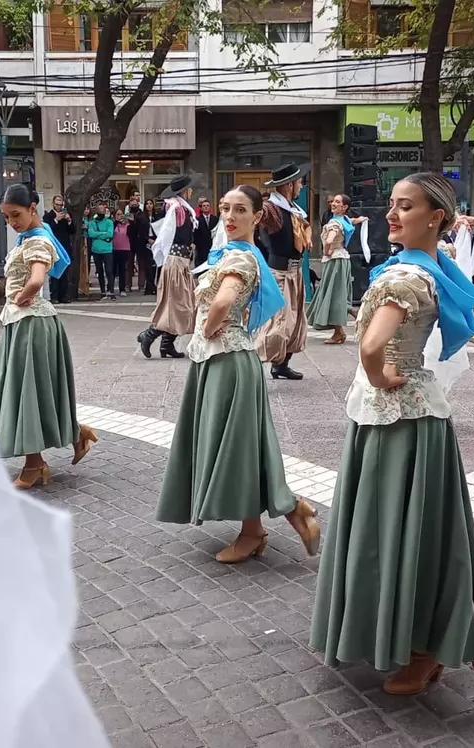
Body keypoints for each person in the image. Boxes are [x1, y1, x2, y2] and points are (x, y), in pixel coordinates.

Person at [310, 172, 474, 719]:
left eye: (406, 207)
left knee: (397, 535)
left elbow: (373, 343)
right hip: (420, 419)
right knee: (425, 535)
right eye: (392, 206)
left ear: (437, 218)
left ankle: (455, 650)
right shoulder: (436, 271)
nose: (392, 215)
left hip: (395, 422)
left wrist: (378, 377)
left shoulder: (404, 275)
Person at [155, 185, 320, 564]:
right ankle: (284, 514)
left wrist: (212, 326)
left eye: (241, 210)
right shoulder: (233, 253)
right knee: (241, 446)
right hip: (224, 360)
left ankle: (260, 527)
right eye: (226, 208)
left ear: (257, 217)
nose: (230, 217)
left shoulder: (240, 260)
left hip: (226, 360)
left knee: (236, 448)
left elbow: (226, 299)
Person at [0, 185, 98, 489]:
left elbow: (38, 278)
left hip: (31, 323)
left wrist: (19, 297)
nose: (11, 222)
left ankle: (36, 464)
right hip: (25, 324)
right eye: (6, 217)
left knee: (24, 391)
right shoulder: (30, 239)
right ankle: (71, 435)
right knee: (24, 391)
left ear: (33, 208)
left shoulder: (38, 241)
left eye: (16, 215)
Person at [255, 163, 310, 381]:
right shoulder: (272, 208)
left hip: (294, 273)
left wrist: (310, 234)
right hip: (278, 272)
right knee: (278, 323)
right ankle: (253, 361)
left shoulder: (292, 208)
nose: (301, 186)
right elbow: (255, 216)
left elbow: (305, 225)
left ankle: (281, 365)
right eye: (299, 182)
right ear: (289, 185)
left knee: (295, 322)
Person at [136, 176, 198, 359]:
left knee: (182, 305)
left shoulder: (180, 209)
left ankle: (166, 345)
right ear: (184, 192)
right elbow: (167, 235)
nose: (192, 192)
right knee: (178, 305)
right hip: (177, 262)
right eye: (189, 189)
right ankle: (149, 335)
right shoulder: (177, 210)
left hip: (181, 261)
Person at [308, 194, 366, 345]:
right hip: (342, 259)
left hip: (335, 260)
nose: (333, 203)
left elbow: (329, 239)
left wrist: (327, 250)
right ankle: (348, 319)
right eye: (333, 201)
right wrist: (360, 220)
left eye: (337, 202)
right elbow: (351, 221)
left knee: (332, 294)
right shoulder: (345, 220)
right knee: (337, 293)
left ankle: (341, 330)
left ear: (345, 207)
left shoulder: (335, 223)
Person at [43, 195, 74, 304]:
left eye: (61, 205)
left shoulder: (65, 216)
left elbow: (72, 231)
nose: (59, 207)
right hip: (54, 245)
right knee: (56, 271)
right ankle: (54, 295)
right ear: (53, 204)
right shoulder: (48, 216)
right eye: (57, 204)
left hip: (65, 246)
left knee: (65, 272)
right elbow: (47, 229)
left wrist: (69, 220)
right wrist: (56, 220)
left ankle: (63, 295)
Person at [87, 203, 115, 299]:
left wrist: (98, 234)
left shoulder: (109, 222)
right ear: (96, 211)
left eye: (103, 210)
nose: (101, 212)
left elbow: (110, 234)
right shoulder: (92, 223)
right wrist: (103, 233)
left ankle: (111, 291)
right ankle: (102, 291)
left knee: (109, 270)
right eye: (99, 210)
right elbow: (91, 234)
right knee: (99, 271)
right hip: (96, 250)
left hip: (107, 250)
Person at [129, 198, 156, 295]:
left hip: (156, 241)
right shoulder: (142, 216)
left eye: (151, 203)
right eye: (147, 204)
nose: (149, 205)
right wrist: (147, 239)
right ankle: (148, 286)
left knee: (154, 265)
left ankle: (152, 285)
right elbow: (139, 230)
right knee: (146, 265)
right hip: (144, 242)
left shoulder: (156, 216)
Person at [193, 196, 219, 268]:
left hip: (212, 246)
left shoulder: (215, 219)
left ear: (210, 207)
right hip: (201, 248)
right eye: (204, 206)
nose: (206, 207)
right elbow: (195, 234)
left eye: (207, 206)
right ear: (201, 208)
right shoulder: (197, 220)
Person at [112, 208, 131, 296]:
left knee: (122, 269)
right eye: (118, 214)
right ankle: (110, 289)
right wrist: (117, 222)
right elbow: (111, 232)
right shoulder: (113, 224)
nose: (120, 216)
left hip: (124, 248)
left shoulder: (127, 224)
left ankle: (122, 289)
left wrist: (129, 222)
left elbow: (132, 233)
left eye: (121, 214)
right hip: (114, 249)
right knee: (112, 269)